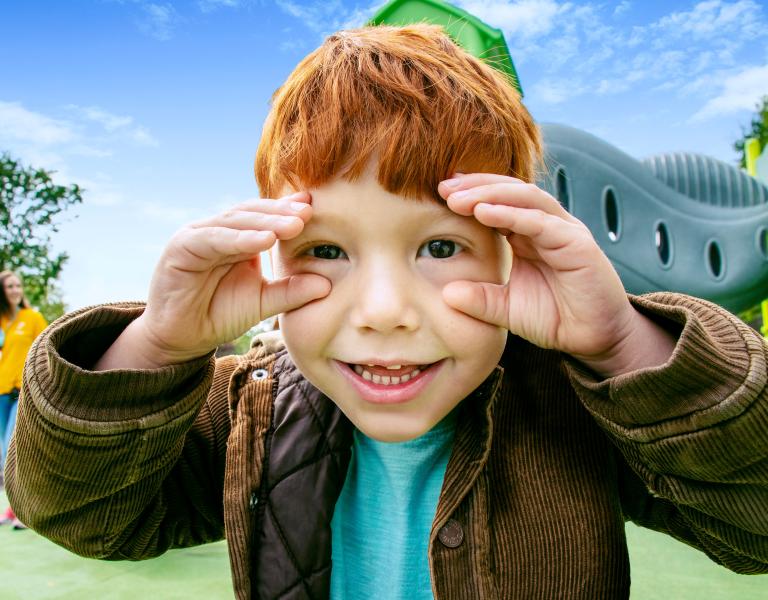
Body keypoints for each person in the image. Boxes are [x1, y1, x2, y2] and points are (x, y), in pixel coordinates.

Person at [5, 25, 768, 599]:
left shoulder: (584, 406)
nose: (383, 312)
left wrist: (623, 347)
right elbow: (79, 513)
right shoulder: (246, 414)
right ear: (272, 256)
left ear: (516, 252)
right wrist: (154, 345)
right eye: (328, 251)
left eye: (440, 247)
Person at [0, 270, 46, 529]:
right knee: (4, 454)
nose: (16, 290)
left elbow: (46, 347)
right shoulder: (1, 321)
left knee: (14, 451)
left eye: (18, 285)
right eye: (10, 286)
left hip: (21, 391)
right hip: (0, 393)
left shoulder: (32, 318)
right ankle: (12, 508)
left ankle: (26, 512)